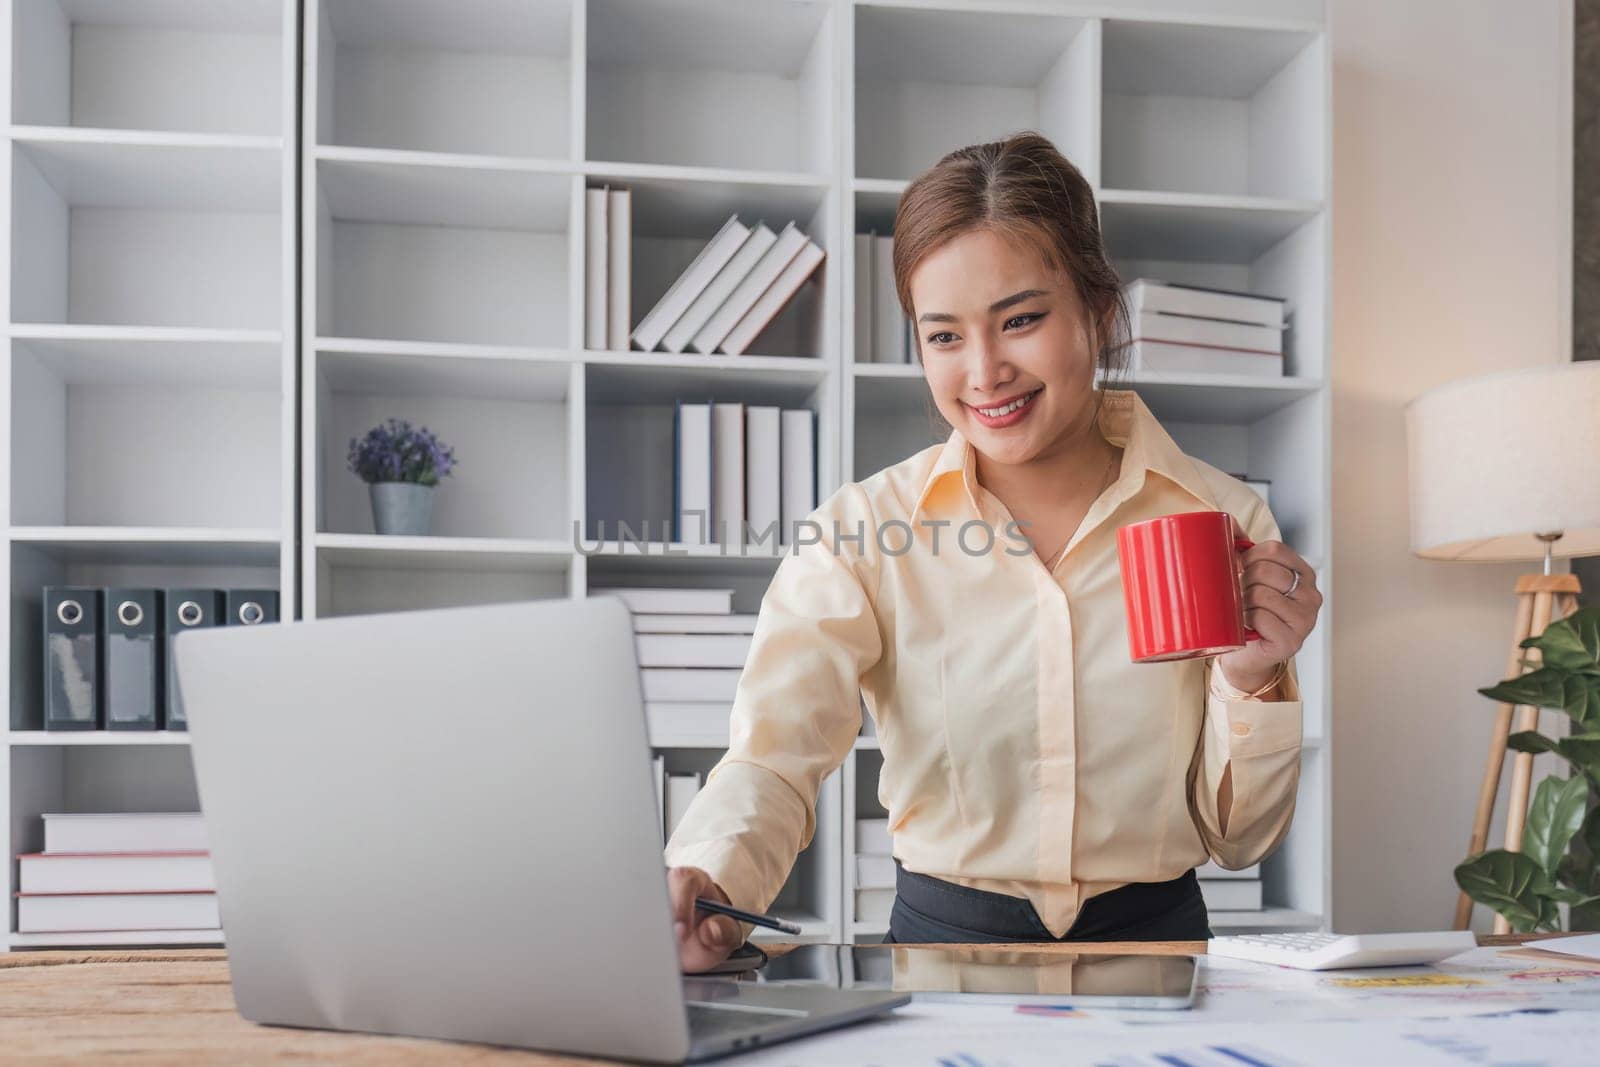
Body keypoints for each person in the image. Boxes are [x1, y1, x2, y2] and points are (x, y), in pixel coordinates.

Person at [663, 132, 1323, 971]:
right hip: (942, 965)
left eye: (1020, 320)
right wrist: (709, 879)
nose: (984, 372)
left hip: (1162, 962)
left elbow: (1241, 840)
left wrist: (1251, 679)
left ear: (1099, 312)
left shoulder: (1220, 518)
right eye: (943, 337)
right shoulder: (862, 531)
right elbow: (774, 757)